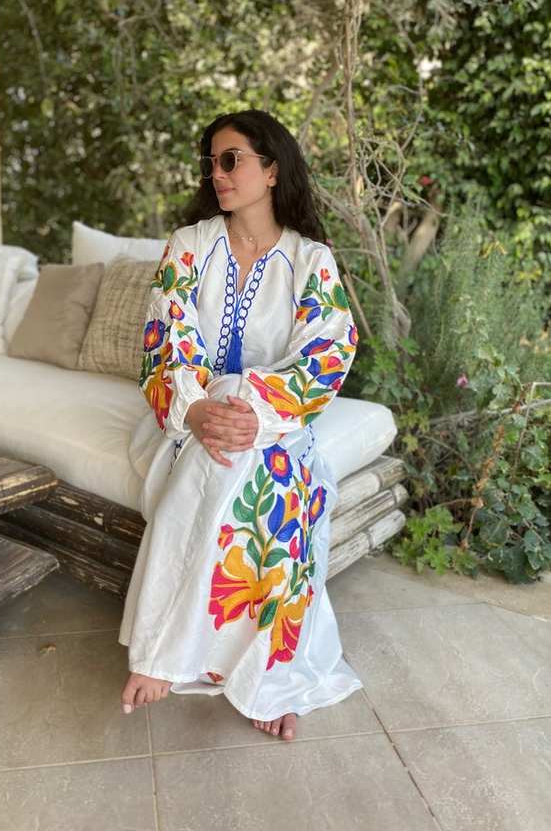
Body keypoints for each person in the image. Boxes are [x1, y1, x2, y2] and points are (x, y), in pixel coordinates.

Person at [118, 109, 363, 742]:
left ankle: (173, 655)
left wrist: (255, 411)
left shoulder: (311, 259)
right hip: (186, 418)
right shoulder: (189, 246)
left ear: (272, 169)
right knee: (229, 440)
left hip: (278, 423)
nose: (218, 173)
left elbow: (329, 352)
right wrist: (200, 408)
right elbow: (164, 338)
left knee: (274, 475)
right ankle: (251, 673)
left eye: (232, 160)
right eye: (212, 162)